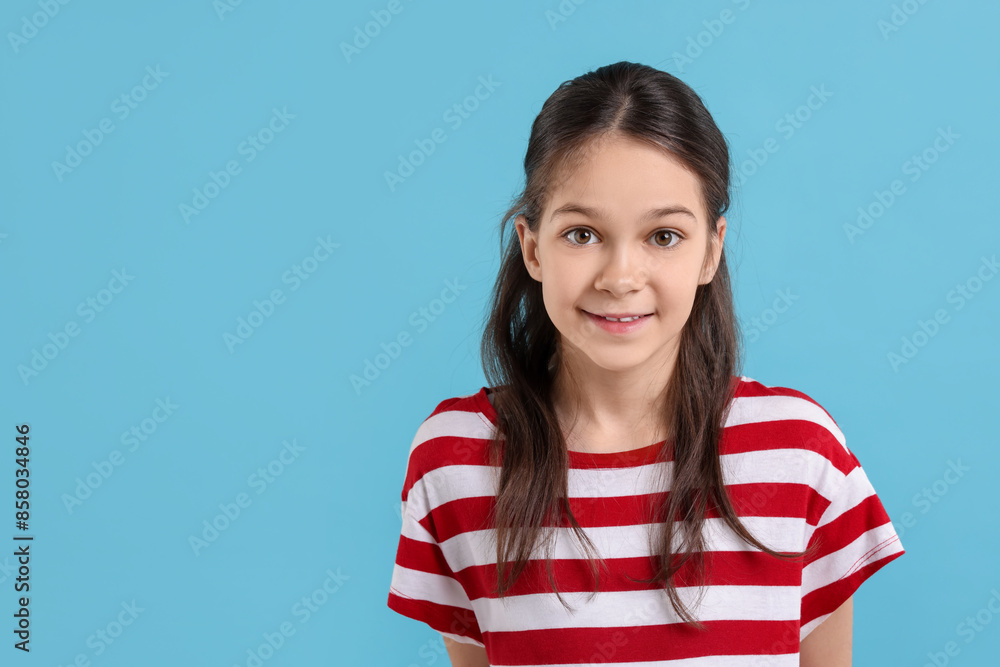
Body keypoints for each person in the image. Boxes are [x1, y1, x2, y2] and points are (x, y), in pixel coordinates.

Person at [386, 61, 905, 666]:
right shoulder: (457, 459)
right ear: (532, 248)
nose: (620, 278)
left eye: (663, 236)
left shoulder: (799, 451)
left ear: (712, 250)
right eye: (582, 234)